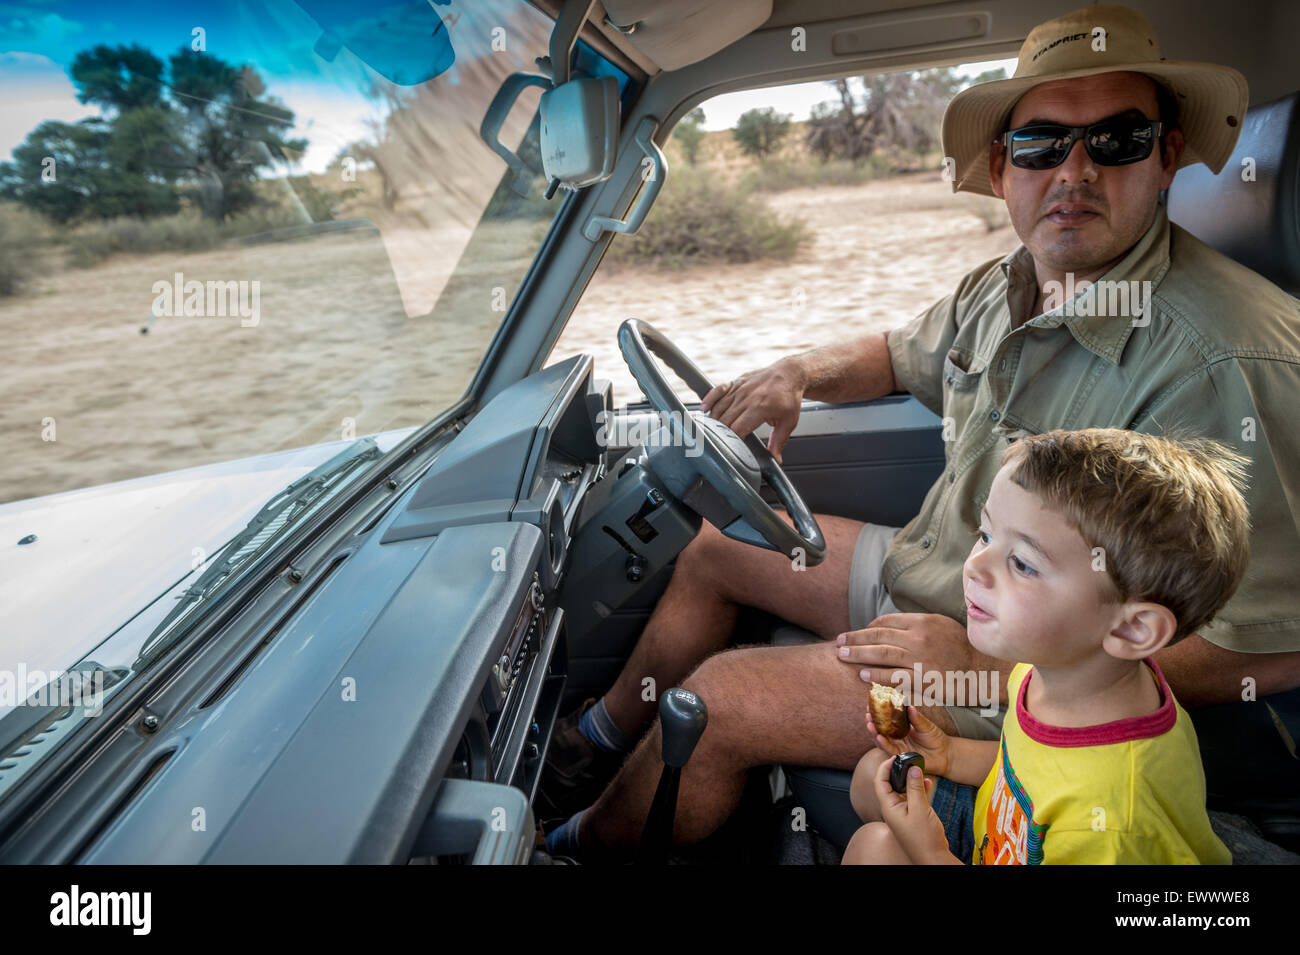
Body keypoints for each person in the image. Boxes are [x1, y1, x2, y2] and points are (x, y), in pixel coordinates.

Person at [542, 3, 1300, 859]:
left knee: (725, 699)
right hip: (940, 576)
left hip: (1037, 664)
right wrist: (797, 374)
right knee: (718, 548)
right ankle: (592, 744)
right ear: (999, 167)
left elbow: (1263, 645)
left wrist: (999, 670)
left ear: (1166, 157)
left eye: (1118, 141)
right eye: (1041, 144)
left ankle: (570, 846)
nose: (1075, 172)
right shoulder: (1007, 284)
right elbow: (900, 355)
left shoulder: (1225, 360)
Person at [843, 428, 1244, 865]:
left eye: (1021, 563)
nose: (975, 565)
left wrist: (931, 852)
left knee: (875, 850)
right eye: (986, 535)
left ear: (1132, 630)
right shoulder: (1056, 669)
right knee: (871, 776)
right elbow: (1030, 769)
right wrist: (950, 755)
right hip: (1005, 832)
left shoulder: (1111, 827)